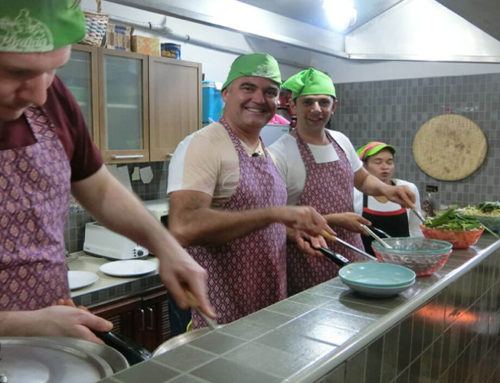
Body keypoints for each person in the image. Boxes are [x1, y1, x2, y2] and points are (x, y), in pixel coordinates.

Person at [0, 1, 212, 343]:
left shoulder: (51, 96)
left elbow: (98, 189)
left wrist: (167, 247)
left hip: (50, 345)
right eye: (16, 73)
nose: (40, 94)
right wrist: (21, 325)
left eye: (54, 69)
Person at [167, 54, 333, 328]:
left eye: (269, 92)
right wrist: (276, 214)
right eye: (248, 87)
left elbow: (253, 226)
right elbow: (184, 226)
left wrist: (291, 233)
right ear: (226, 94)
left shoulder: (264, 151)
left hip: (266, 306)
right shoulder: (204, 145)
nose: (259, 98)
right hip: (218, 313)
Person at [268, 68, 416, 295]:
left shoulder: (341, 140)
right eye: (308, 102)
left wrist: (388, 190)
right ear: (293, 107)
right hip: (311, 253)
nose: (316, 109)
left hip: (352, 248)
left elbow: (363, 179)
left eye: (323, 102)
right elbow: (274, 221)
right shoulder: (280, 153)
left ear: (334, 106)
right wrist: (335, 220)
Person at [354, 142, 423, 254]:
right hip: (367, 261)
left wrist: (417, 254)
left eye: (389, 162)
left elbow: (416, 228)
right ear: (364, 166)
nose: (385, 167)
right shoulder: (356, 193)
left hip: (402, 258)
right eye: (378, 162)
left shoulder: (407, 189)